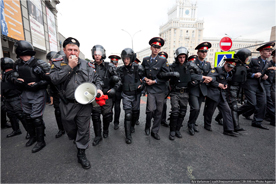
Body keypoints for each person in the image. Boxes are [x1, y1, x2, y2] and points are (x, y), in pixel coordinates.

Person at [50, 37, 103, 169]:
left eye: (75, 50)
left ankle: (81, 153)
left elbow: (96, 79)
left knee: (83, 129)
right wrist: (69, 67)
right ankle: (75, 138)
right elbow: (54, 79)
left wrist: (99, 88)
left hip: (84, 104)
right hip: (67, 103)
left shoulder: (88, 65)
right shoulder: (57, 64)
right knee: (70, 127)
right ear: (64, 50)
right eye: (69, 50)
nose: (73, 52)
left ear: (79, 51)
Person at [13, 40, 50, 152]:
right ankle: (33, 137)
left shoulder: (40, 63)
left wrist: (39, 83)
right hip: (25, 93)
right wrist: (15, 81)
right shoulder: (17, 64)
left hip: (38, 93)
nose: (24, 57)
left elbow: (51, 79)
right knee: (28, 117)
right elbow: (12, 77)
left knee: (36, 118)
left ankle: (40, 141)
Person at [160, 47, 204, 139]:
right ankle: (172, 131)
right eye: (180, 57)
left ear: (186, 57)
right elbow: (161, 75)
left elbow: (199, 74)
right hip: (175, 92)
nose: (182, 59)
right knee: (175, 111)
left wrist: (195, 82)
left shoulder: (190, 65)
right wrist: (171, 74)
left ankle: (177, 130)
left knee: (182, 112)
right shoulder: (172, 66)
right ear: (177, 57)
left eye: (184, 57)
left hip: (185, 92)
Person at [238, 42, 274, 130]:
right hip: (250, 84)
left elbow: (266, 73)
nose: (270, 52)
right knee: (252, 103)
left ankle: (257, 122)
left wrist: (265, 76)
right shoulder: (253, 61)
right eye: (267, 50)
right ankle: (235, 112)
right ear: (261, 52)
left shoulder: (268, 63)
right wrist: (253, 75)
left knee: (263, 103)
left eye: (271, 51)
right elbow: (245, 71)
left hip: (260, 85)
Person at [90, 45, 121, 146]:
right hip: (95, 94)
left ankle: (106, 130)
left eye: (99, 54)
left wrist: (114, 89)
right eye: (95, 54)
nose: (97, 56)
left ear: (102, 54)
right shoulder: (90, 66)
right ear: (93, 55)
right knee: (95, 116)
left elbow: (118, 80)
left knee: (107, 116)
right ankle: (98, 135)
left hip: (107, 94)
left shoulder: (110, 66)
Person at [214, 48, 251, 131]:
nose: (248, 59)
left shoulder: (243, 65)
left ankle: (218, 117)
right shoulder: (233, 65)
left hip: (239, 88)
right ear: (242, 57)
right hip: (231, 88)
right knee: (234, 106)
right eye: (247, 57)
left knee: (230, 106)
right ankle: (236, 126)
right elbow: (226, 75)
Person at [142, 37, 170, 140]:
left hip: (160, 89)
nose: (156, 49)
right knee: (150, 110)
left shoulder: (163, 60)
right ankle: (147, 126)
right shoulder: (145, 60)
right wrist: (145, 79)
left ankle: (155, 131)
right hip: (150, 89)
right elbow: (141, 73)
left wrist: (154, 81)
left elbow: (166, 76)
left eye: (158, 47)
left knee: (159, 111)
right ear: (151, 47)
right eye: (154, 47)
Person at [203, 58, 239, 137]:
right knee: (210, 111)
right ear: (225, 64)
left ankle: (228, 130)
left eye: (232, 67)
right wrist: (218, 84)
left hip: (222, 95)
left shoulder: (230, 72)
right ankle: (207, 124)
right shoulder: (217, 69)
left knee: (227, 111)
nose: (230, 69)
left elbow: (226, 81)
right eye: (229, 66)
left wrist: (225, 85)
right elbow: (210, 78)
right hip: (213, 94)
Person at [117, 48, 144, 144]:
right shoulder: (120, 69)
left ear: (132, 58)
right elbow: (118, 81)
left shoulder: (139, 68)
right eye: (124, 58)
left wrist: (142, 86)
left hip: (136, 95)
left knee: (135, 113)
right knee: (128, 114)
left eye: (128, 58)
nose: (125, 60)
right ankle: (128, 136)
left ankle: (132, 125)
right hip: (126, 95)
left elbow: (144, 79)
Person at [1, 57, 29, 138]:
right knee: (10, 115)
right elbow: (4, 85)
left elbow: (16, 81)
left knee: (20, 115)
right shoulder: (4, 74)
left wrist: (15, 80)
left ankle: (30, 132)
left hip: (15, 97)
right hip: (7, 98)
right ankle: (16, 130)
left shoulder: (13, 73)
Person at [187, 42, 213, 128]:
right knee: (195, 108)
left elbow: (211, 74)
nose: (204, 53)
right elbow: (190, 75)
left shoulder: (207, 64)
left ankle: (193, 123)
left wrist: (209, 79)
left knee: (197, 109)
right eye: (202, 51)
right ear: (198, 53)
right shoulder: (192, 63)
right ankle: (190, 124)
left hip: (203, 89)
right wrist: (202, 77)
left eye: (205, 52)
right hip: (194, 88)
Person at [46, 51, 66, 138]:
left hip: (66, 93)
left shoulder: (66, 66)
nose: (51, 62)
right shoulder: (50, 68)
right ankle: (61, 129)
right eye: (51, 60)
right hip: (56, 93)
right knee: (58, 111)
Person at [109, 55, 122, 130]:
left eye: (115, 63)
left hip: (118, 92)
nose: (114, 65)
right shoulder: (108, 70)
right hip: (110, 91)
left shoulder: (119, 70)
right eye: (113, 63)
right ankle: (110, 116)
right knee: (110, 107)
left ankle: (116, 122)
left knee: (117, 108)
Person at [158, 51, 170, 128]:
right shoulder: (156, 67)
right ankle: (156, 119)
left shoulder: (167, 67)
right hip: (156, 88)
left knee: (164, 105)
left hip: (164, 88)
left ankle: (163, 120)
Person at [263, 49, 275, 126]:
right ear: (273, 57)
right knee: (269, 102)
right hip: (266, 85)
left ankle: (246, 113)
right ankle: (273, 119)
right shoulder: (268, 64)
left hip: (273, 86)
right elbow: (261, 71)